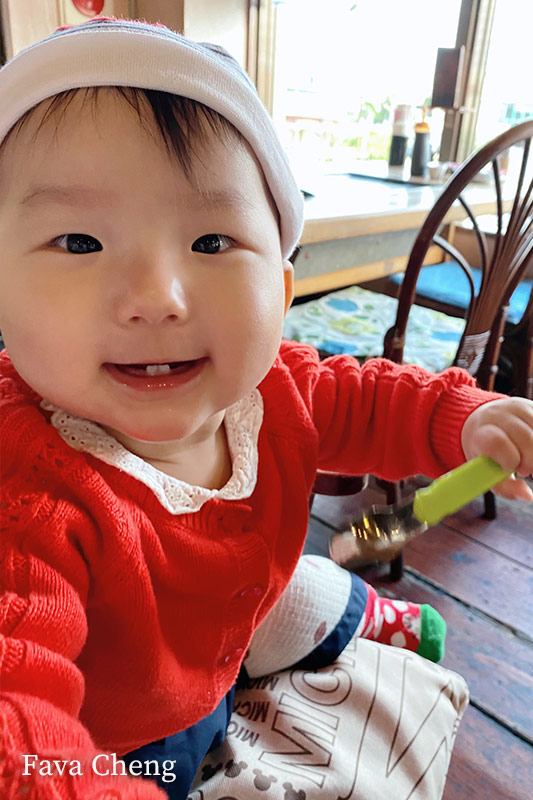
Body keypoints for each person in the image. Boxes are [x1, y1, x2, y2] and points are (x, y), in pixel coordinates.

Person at [0, 16, 531, 800]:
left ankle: (355, 612)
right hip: (125, 738)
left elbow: (374, 399)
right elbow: (19, 726)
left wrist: (465, 421)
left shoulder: (269, 390)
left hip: (215, 653)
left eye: (211, 242)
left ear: (282, 293)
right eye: (80, 242)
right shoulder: (25, 500)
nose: (156, 297)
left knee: (295, 593)